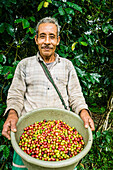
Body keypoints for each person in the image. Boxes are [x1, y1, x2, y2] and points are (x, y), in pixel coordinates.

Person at [2, 17, 95, 169]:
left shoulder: (67, 66)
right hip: (29, 129)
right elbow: (16, 95)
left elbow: (76, 96)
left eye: (51, 37)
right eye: (42, 36)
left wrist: (84, 112)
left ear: (58, 40)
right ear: (36, 39)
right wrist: (12, 114)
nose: (47, 41)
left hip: (62, 129)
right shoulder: (24, 65)